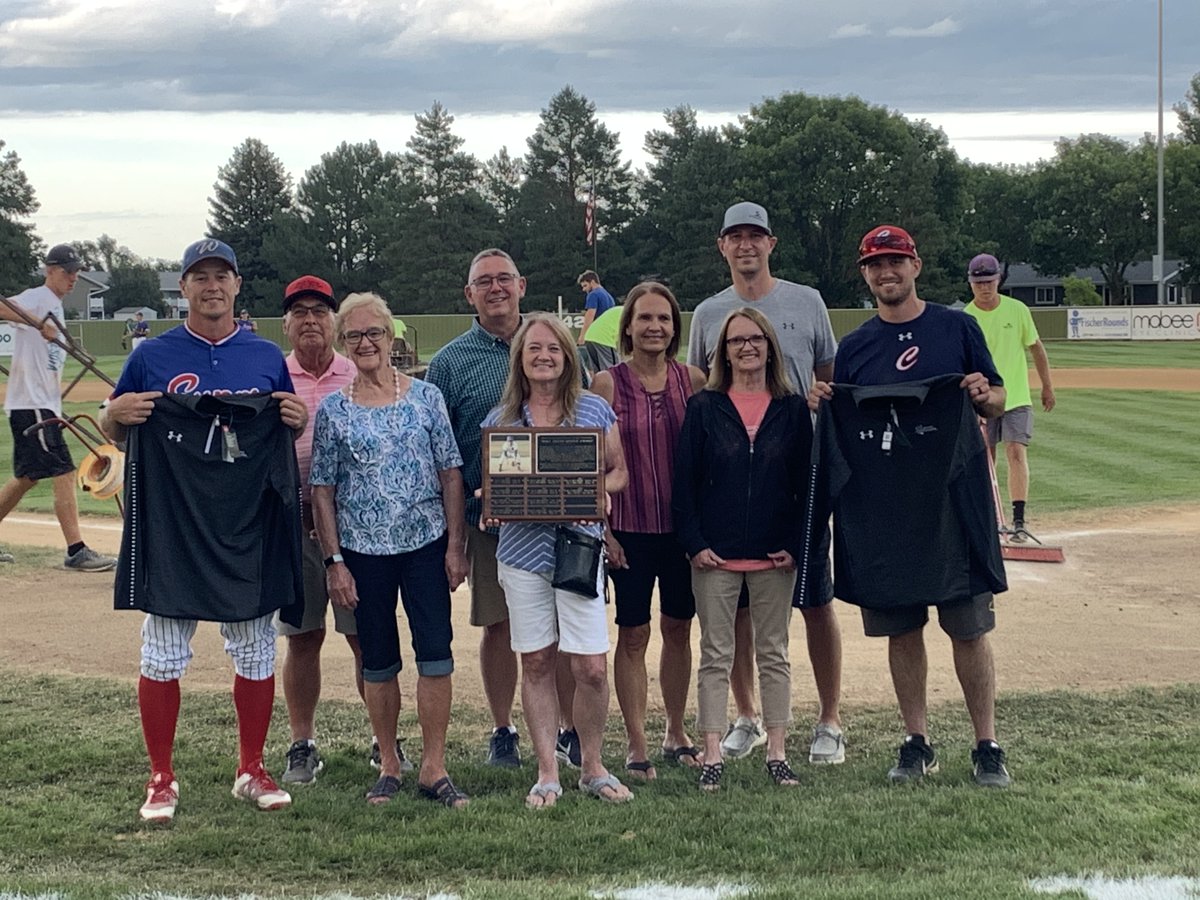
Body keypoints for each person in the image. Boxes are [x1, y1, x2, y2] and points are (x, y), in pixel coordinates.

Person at [100, 238, 309, 822]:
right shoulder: (152, 355)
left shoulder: (267, 357)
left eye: (222, 275)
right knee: (163, 650)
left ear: (238, 285)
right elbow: (115, 426)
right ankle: (161, 778)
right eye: (199, 276)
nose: (212, 285)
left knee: (255, 649)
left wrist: (290, 418)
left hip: (245, 522)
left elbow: (280, 435)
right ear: (184, 288)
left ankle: (251, 767)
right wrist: (113, 417)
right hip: (175, 522)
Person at [808, 224, 1012, 788]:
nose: (886, 272)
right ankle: (916, 740)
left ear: (916, 266)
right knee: (902, 627)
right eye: (875, 264)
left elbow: (996, 399)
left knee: (967, 627)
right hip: (886, 509)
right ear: (865, 274)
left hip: (953, 503)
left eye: (896, 261)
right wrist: (822, 400)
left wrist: (980, 393)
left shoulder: (957, 328)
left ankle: (986, 744)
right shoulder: (854, 348)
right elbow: (838, 424)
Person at [686, 201, 844, 766]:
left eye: (756, 235)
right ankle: (747, 716)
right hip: (732, 482)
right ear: (722, 247)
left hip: (794, 477)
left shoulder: (806, 301)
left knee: (816, 601)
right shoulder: (708, 313)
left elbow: (826, 377)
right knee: (738, 612)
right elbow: (704, 393)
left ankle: (829, 719)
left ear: (771, 243)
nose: (746, 245)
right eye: (736, 237)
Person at [309, 291, 469, 807]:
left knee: (435, 655)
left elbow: (450, 472)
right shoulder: (334, 411)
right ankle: (390, 763)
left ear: (391, 335)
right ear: (343, 343)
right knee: (377, 662)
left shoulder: (426, 398)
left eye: (374, 332)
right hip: (362, 553)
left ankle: (434, 766)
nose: (365, 343)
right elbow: (323, 490)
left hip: (425, 546)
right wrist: (335, 562)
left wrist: (455, 544)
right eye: (353, 335)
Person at [481, 312, 630, 808]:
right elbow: (493, 492)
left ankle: (591, 765)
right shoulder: (501, 421)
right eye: (534, 349)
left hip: (577, 552)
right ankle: (548, 772)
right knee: (538, 660)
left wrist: (594, 491)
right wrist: (493, 504)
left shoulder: (592, 411)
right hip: (522, 556)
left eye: (554, 349)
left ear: (568, 357)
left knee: (590, 666)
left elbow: (618, 473)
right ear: (520, 360)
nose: (544, 357)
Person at [674, 308, 818, 792]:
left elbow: (806, 488)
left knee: (773, 653)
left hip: (773, 555)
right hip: (715, 556)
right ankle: (712, 751)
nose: (747, 347)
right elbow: (685, 486)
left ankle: (777, 752)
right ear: (723, 351)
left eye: (755, 338)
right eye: (736, 340)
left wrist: (796, 546)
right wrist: (695, 544)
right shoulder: (705, 407)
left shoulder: (792, 408)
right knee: (716, 654)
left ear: (770, 346)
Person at [275, 275, 404, 785]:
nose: (310, 320)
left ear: (334, 323)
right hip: (293, 527)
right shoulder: (272, 376)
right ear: (285, 323)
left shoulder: (357, 372)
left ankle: (383, 741)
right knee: (302, 638)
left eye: (319, 311)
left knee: (365, 641)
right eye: (300, 311)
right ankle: (301, 743)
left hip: (354, 533)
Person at [589, 283, 706, 779]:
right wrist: (606, 531)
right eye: (644, 319)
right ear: (628, 327)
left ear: (675, 326)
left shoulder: (694, 380)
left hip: (682, 529)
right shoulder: (606, 384)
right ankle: (636, 744)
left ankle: (675, 730)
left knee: (679, 629)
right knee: (633, 634)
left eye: (664, 318)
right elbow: (591, 468)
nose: (654, 327)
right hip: (629, 529)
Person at [425, 248, 527, 769]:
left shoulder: (550, 343)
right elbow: (440, 455)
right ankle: (503, 728)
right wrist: (454, 540)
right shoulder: (449, 363)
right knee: (500, 625)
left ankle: (566, 730)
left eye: (503, 279)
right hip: (486, 518)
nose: (495, 289)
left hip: (555, 515)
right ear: (469, 295)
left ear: (521, 286)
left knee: (559, 620)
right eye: (483, 282)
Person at [0, 243, 116, 570]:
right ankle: (76, 550)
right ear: (50, 270)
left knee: (27, 477)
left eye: (77, 272)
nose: (74, 277)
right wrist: (36, 323)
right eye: (68, 271)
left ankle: (76, 550)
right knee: (63, 469)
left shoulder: (56, 305)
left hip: (42, 403)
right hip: (31, 403)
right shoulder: (37, 298)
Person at [963, 253, 1056, 539]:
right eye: (979, 282)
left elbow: (1036, 347)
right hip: (983, 401)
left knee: (1016, 452)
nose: (984, 287)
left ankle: (1018, 520)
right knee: (985, 460)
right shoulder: (966, 317)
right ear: (970, 283)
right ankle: (989, 518)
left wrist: (1047, 385)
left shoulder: (1017, 310)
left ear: (998, 280)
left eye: (989, 281)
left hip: (1015, 397)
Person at [575, 270, 615, 347]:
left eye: (585, 286)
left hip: (596, 336)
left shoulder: (593, 295)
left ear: (592, 282)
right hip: (608, 337)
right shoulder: (609, 296)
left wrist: (582, 336)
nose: (584, 289)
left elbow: (590, 316)